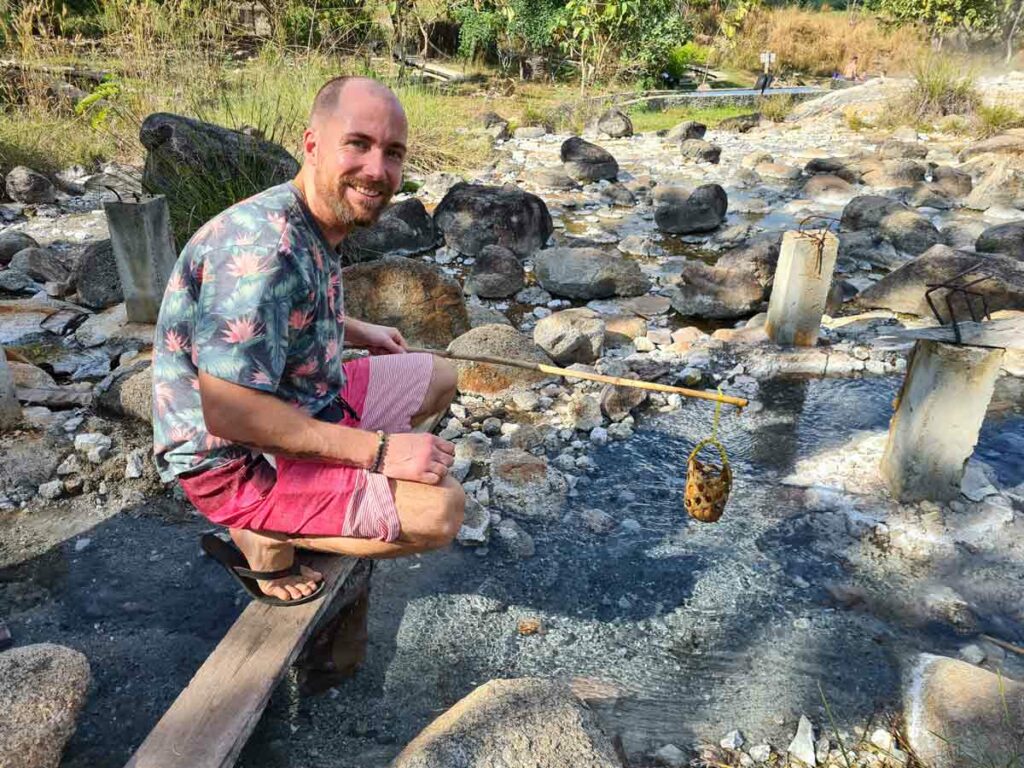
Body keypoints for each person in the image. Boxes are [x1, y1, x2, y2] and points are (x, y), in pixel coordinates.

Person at [152, 76, 465, 605]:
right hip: (233, 458)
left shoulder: (308, 214)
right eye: (358, 144)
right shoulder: (263, 251)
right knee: (441, 511)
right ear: (313, 144)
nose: (377, 170)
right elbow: (231, 415)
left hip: (305, 397)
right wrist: (382, 452)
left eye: (392, 153)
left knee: (438, 374)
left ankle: (332, 488)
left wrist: (356, 329)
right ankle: (265, 537)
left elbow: (285, 311)